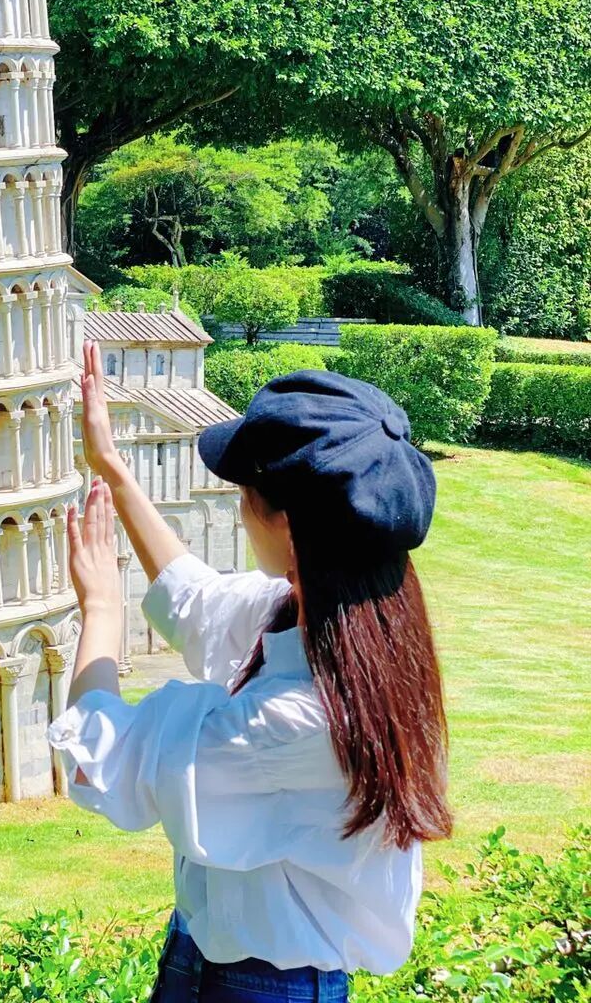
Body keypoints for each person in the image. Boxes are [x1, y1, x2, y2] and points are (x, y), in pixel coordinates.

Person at [49, 344, 451, 1002]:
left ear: (288, 528)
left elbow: (104, 760)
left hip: (262, 988)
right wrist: (113, 470)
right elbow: (196, 601)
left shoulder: (299, 720)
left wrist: (99, 607)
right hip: (223, 964)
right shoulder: (345, 630)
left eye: (245, 493)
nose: (237, 507)